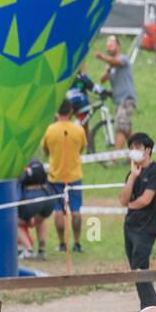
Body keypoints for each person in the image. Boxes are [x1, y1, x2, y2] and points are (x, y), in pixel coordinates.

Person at [119, 132, 156, 310]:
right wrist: (132, 177)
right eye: (131, 148)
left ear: (148, 150)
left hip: (146, 229)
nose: (134, 151)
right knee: (137, 272)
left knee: (140, 270)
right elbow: (123, 199)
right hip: (130, 227)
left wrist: (130, 205)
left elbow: (146, 199)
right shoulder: (132, 174)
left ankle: (154, 311)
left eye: (138, 147)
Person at [41, 99, 87, 253]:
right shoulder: (79, 130)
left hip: (55, 176)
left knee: (58, 211)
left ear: (57, 112)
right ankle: (77, 242)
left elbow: (45, 150)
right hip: (74, 176)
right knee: (75, 211)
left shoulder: (49, 130)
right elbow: (82, 148)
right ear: (71, 111)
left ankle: (62, 243)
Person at [94, 35, 137, 148]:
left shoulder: (123, 58)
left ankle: (115, 157)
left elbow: (117, 62)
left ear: (118, 47)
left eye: (111, 45)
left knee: (121, 128)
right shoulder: (110, 65)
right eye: (107, 46)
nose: (109, 48)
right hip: (118, 101)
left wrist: (102, 57)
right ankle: (138, 150)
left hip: (126, 100)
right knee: (126, 129)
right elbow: (103, 79)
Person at [16, 158, 53, 259]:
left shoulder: (20, 166)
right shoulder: (37, 163)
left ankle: (28, 250)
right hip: (48, 197)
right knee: (40, 221)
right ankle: (42, 251)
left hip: (31, 199)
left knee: (13, 223)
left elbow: (17, 186)